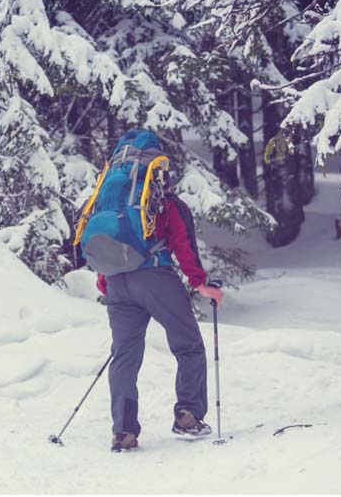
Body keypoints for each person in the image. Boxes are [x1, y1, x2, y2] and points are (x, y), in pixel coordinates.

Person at [83, 130, 224, 453]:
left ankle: (124, 432)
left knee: (124, 358)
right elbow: (184, 248)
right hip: (155, 279)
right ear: (158, 169)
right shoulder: (167, 205)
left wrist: (108, 281)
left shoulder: (111, 201)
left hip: (117, 284)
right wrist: (201, 284)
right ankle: (188, 416)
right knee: (188, 345)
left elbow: (107, 246)